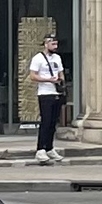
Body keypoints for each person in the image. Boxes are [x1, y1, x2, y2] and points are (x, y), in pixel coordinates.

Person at [27, 32, 66, 164]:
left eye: (56, 43)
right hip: (45, 93)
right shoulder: (38, 58)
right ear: (46, 43)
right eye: (52, 43)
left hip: (56, 93)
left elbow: (61, 73)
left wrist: (61, 82)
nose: (55, 46)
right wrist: (48, 80)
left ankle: (49, 147)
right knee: (46, 121)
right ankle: (40, 149)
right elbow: (33, 76)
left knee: (53, 123)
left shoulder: (57, 58)